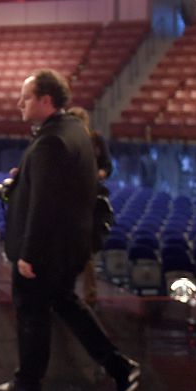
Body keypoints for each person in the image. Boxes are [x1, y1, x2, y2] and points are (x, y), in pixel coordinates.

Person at [0, 69, 139, 391]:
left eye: (25, 98)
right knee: (66, 304)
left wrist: (29, 253)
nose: (19, 104)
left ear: (45, 100)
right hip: (68, 246)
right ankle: (120, 366)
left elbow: (45, 204)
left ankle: (27, 385)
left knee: (31, 314)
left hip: (46, 250)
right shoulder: (74, 130)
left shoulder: (52, 140)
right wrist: (23, 179)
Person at [68, 105, 114, 305]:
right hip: (69, 197)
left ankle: (90, 295)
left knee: (87, 251)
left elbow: (107, 166)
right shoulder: (66, 142)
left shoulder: (96, 140)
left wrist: (99, 174)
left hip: (92, 197)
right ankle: (67, 291)